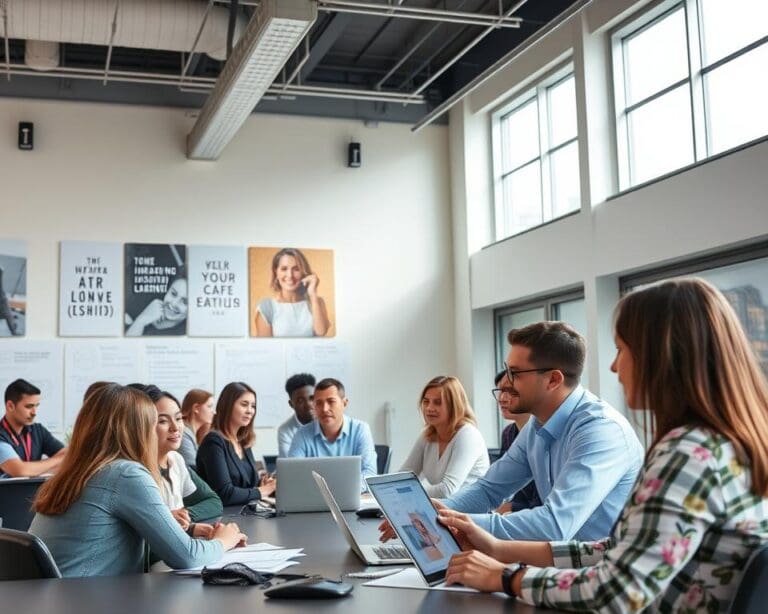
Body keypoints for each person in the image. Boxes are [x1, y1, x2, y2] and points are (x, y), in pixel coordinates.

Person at [440, 278, 768, 611]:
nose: (614, 366)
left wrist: (506, 577)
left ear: (661, 358)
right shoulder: (716, 445)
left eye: (622, 350)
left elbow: (615, 591)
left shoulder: (687, 454)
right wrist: (498, 549)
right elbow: (617, 548)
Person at [381, 321, 644, 543]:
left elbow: (554, 525)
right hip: (558, 567)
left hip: (599, 580)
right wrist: (433, 512)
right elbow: (488, 490)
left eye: (515, 373)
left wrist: (453, 521)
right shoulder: (536, 427)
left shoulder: (600, 431)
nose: (505, 383)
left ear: (553, 380)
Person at [29, 384, 246, 577]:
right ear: (137, 430)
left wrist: (185, 529)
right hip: (85, 601)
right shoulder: (126, 474)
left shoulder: (78, 471)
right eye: (154, 423)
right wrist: (224, 541)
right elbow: (187, 557)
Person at [133, 385, 223, 533]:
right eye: (163, 421)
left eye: (178, 418)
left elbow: (214, 502)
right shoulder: (135, 471)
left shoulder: (176, 459)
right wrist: (169, 519)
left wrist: (184, 519)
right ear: (142, 425)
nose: (175, 427)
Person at [399, 376, 489, 497]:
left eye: (438, 402)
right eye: (426, 402)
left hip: (469, 512)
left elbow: (447, 490)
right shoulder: (427, 434)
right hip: (443, 508)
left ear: (454, 406)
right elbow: (402, 477)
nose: (429, 408)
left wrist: (404, 491)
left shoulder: (468, 435)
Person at [196, 382, 276, 506]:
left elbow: (248, 485)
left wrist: (262, 484)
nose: (250, 411)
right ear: (227, 406)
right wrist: (263, 490)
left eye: (253, 406)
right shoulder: (213, 442)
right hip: (225, 518)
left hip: (248, 513)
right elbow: (224, 494)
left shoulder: (243, 442)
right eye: (244, 405)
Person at [288, 378, 377, 485]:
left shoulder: (360, 429)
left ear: (344, 403)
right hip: (314, 499)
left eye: (331, 401)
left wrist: (342, 488)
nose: (325, 409)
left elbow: (369, 473)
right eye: (319, 403)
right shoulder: (302, 434)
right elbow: (292, 474)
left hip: (351, 497)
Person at [493, 370, 541, 512]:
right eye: (500, 391)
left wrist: (512, 507)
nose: (502, 398)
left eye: (510, 391)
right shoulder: (508, 433)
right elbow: (506, 483)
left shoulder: (543, 433)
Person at [254, 248, 330, 337]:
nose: (290, 275)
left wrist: (313, 294)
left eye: (296, 269)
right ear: (276, 272)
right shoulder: (267, 307)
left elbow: (321, 332)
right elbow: (265, 348)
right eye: (284, 269)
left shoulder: (317, 302)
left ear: (303, 272)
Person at [0, 378, 66, 478]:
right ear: (10, 406)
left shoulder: (38, 430)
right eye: (29, 406)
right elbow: (19, 470)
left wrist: (34, 470)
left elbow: (67, 457)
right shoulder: (1, 435)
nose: (34, 412)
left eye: (36, 406)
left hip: (35, 492)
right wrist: (57, 460)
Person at [277, 373, 316, 457]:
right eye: (301, 401)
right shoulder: (285, 431)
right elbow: (291, 464)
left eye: (312, 398)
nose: (308, 405)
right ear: (291, 404)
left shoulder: (327, 423)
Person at [179, 388, 215, 468]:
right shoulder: (184, 434)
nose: (213, 412)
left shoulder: (194, 433)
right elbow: (193, 468)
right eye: (209, 406)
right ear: (196, 408)